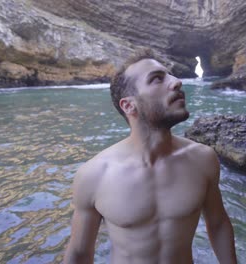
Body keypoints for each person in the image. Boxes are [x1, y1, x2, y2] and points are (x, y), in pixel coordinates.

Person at [64, 50, 237, 264]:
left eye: (170, 75)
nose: (177, 82)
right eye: (157, 79)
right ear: (129, 105)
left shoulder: (203, 159)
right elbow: (80, 253)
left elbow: (218, 223)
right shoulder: (94, 175)